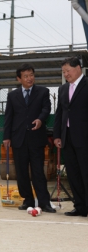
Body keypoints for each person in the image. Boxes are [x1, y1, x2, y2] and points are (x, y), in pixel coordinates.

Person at [3, 63, 55, 213]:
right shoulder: (12, 95)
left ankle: (44, 202)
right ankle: (28, 200)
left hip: (36, 138)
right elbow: (9, 117)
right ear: (19, 79)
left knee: (38, 171)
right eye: (25, 76)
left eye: (31, 75)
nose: (29, 78)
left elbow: (47, 108)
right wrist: (7, 137)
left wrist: (40, 119)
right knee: (21, 172)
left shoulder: (43, 92)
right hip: (18, 139)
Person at [53, 57, 88, 217]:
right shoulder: (63, 89)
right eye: (64, 72)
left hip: (84, 137)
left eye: (68, 71)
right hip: (67, 138)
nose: (66, 74)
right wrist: (57, 136)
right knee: (73, 174)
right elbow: (60, 113)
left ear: (78, 68)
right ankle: (80, 207)